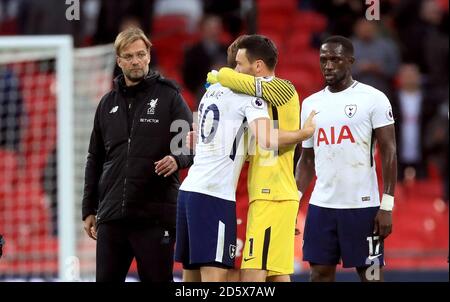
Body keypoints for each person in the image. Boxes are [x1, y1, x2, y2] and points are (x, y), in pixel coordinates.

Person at [177, 35, 315, 282]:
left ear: (259, 66)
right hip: (250, 194)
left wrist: (221, 75)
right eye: (235, 64)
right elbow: (258, 142)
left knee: (253, 276)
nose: (236, 70)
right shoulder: (240, 93)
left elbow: (266, 140)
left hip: (271, 194)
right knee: (271, 276)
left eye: (240, 64)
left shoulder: (283, 90)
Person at [82, 27, 193, 282]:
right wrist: (89, 208)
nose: (136, 61)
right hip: (112, 217)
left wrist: (176, 159)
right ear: (119, 60)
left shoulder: (169, 97)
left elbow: (191, 144)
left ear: (149, 55)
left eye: (141, 54)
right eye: (129, 56)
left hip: (154, 217)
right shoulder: (107, 104)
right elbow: (95, 158)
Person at [296, 35, 397, 282]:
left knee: (371, 275)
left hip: (362, 206)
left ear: (350, 62)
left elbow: (389, 151)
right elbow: (306, 160)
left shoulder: (373, 98)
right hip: (322, 206)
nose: (328, 65)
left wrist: (387, 205)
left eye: (335, 59)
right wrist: (293, 201)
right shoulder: (310, 104)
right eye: (323, 60)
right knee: (319, 273)